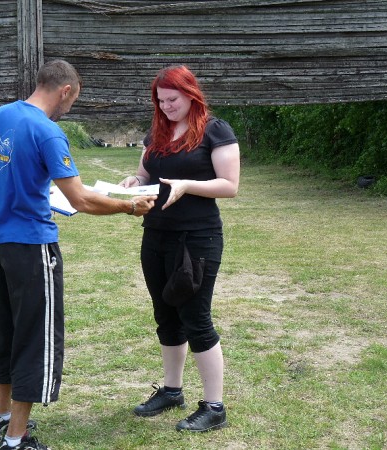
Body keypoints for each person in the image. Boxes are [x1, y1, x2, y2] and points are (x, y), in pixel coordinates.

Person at [0, 59, 156, 450]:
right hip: (32, 247)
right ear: (65, 90)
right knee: (35, 338)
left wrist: (21, 187)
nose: (69, 107)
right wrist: (130, 207)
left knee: (7, 330)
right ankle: (16, 440)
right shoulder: (48, 132)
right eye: (73, 100)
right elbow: (81, 199)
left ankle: (2, 418)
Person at [120, 65, 240, 432]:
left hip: (197, 239)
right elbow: (145, 174)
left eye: (172, 99)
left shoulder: (215, 130)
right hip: (156, 234)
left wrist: (187, 185)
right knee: (166, 316)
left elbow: (229, 185)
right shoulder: (157, 132)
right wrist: (133, 180)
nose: (166, 106)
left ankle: (214, 407)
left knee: (195, 318)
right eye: (160, 101)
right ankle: (172, 391)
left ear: (190, 94)